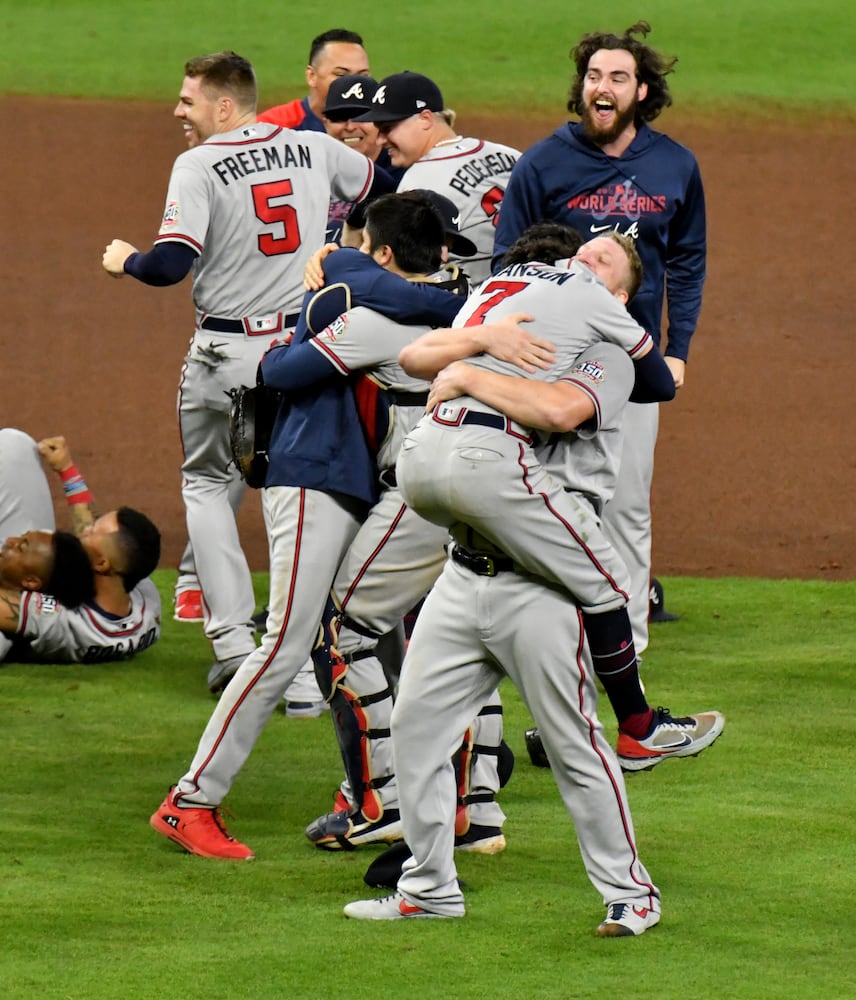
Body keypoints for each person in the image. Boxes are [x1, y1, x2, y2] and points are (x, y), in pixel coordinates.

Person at [148, 192, 467, 861]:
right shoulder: (396, 307)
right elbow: (277, 370)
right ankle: (191, 800)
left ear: (380, 248)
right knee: (288, 643)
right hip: (309, 476)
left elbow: (281, 364)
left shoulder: (361, 293)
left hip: (344, 480)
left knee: (350, 636)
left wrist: (343, 264)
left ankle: (375, 793)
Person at [345, 340, 663, 933]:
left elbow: (559, 411)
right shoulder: (511, 343)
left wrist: (469, 372)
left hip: (541, 586)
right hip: (462, 574)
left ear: (614, 297)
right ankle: (429, 886)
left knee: (573, 745)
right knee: (415, 731)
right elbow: (420, 359)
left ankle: (631, 893)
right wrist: (479, 349)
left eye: (599, 266)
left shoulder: (604, 359)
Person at [102, 51, 391, 693]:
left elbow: (172, 263)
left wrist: (126, 261)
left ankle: (234, 644)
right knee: (297, 496)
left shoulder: (198, 164)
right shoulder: (311, 147)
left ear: (224, 106)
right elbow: (379, 184)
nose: (178, 110)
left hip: (225, 356)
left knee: (208, 485)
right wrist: (346, 251)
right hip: (303, 354)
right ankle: (307, 667)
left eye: (188, 100)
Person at [492, 21, 706, 661]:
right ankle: (548, 653)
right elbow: (507, 262)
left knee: (627, 508)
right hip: (551, 364)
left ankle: (627, 657)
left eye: (617, 77)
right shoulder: (543, 162)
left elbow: (688, 261)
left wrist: (679, 348)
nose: (601, 88)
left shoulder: (675, 164)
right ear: (581, 88)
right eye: (593, 77)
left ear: (642, 91)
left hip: (633, 362)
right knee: (545, 506)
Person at [0, 429, 161, 664]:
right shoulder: (142, 595)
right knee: (16, 446)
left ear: (102, 564)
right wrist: (67, 470)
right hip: (33, 565)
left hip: (15, 586)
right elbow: (91, 533)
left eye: (93, 533)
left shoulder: (63, 620)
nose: (86, 529)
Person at [350, 71, 520, 283]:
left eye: (388, 128)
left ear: (425, 118)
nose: (380, 141)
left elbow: (399, 271)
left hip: (472, 301)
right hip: (531, 284)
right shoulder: (510, 155)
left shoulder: (417, 185)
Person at [257, 28, 370, 133]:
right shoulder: (272, 129)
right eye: (341, 75)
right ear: (312, 76)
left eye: (363, 76)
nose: (355, 85)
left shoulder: (381, 127)